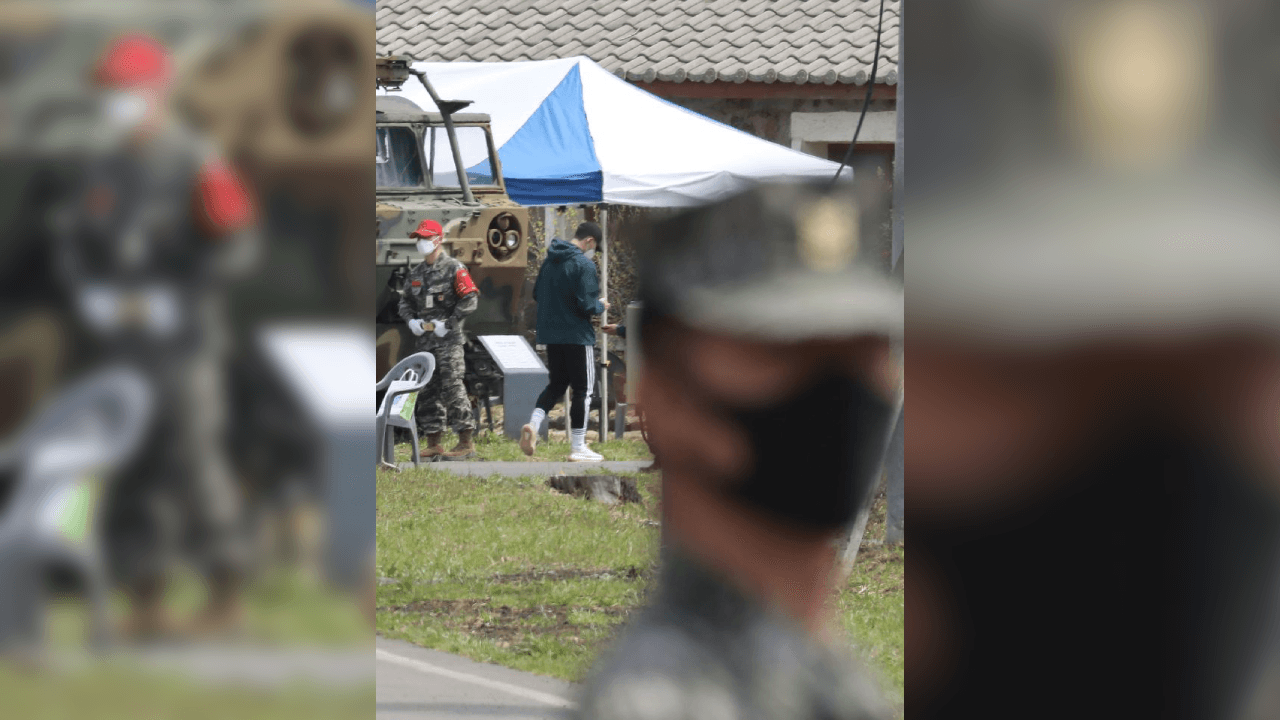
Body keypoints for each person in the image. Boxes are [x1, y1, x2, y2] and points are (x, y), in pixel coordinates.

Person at [572, 182, 901, 720]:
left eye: (865, 353)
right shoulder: (664, 701)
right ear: (664, 396)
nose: (839, 391)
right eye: (782, 351)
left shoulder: (823, 681)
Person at [69, 32, 259, 639]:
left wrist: (173, 298)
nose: (115, 105)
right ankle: (146, 601)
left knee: (192, 463)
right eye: (110, 95)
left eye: (125, 93)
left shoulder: (193, 160)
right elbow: (77, 246)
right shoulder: (105, 166)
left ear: (155, 95)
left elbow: (234, 248)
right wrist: (93, 297)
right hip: (122, 347)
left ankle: (227, 596)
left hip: (184, 343)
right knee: (133, 470)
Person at [521, 222, 609, 462]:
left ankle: (533, 424)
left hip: (551, 336)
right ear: (590, 241)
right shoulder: (584, 264)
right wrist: (602, 305)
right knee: (584, 390)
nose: (593, 251)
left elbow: (537, 294)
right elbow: (588, 305)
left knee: (556, 385)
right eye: (594, 247)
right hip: (578, 337)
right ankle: (578, 446)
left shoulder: (549, 262)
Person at [397, 218, 480, 460]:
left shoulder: (454, 268)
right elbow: (404, 302)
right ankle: (434, 441)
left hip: (449, 341)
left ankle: (465, 441)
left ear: (438, 239)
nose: (421, 243)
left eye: (425, 238)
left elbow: (470, 299)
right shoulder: (417, 273)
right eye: (418, 239)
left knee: (453, 387)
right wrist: (411, 321)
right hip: (425, 342)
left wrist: (450, 323)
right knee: (427, 391)